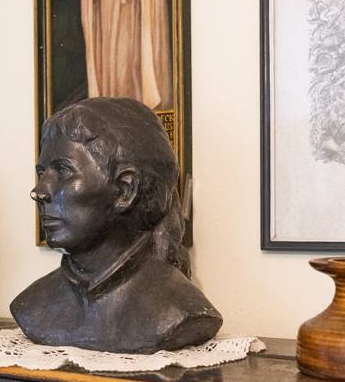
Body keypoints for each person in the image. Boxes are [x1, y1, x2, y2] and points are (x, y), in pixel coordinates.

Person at [12, 98, 222, 353]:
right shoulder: (33, 305)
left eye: (64, 171)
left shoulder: (177, 310)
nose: (39, 191)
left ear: (125, 190)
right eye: (41, 173)